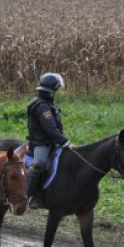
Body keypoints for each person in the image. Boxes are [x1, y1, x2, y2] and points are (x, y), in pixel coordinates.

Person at [26, 73, 71, 209]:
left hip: (51, 142)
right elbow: (50, 129)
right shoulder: (42, 106)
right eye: (57, 88)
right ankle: (29, 195)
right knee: (39, 164)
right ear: (53, 89)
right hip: (41, 143)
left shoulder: (48, 103)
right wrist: (64, 142)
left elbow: (57, 127)